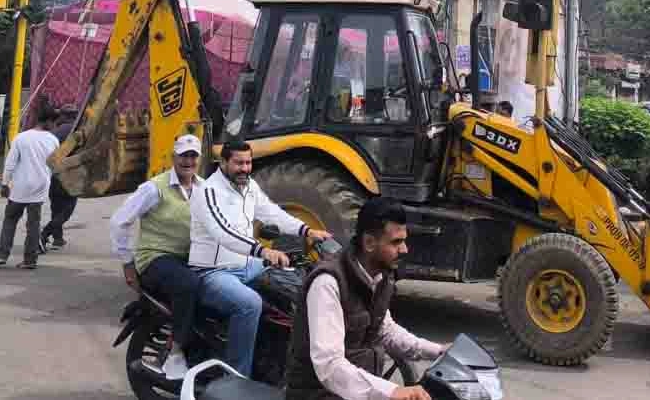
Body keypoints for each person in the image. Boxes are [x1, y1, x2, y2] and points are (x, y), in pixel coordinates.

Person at [189, 141, 333, 379]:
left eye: (248, 162)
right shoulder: (208, 191)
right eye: (239, 163)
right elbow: (223, 232)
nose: (245, 168)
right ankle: (236, 378)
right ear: (223, 162)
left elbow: (271, 212)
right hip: (213, 271)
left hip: (246, 265)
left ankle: (275, 356)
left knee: (295, 279)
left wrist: (306, 231)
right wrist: (263, 251)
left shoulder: (248, 186)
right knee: (250, 304)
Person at [285, 196, 446, 400]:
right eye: (396, 242)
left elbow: (385, 330)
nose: (405, 249)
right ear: (369, 242)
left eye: (404, 240)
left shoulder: (380, 276)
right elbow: (330, 365)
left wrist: (438, 351)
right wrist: (392, 391)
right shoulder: (328, 283)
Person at [109, 133, 205, 380]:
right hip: (156, 258)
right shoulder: (154, 188)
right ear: (173, 157)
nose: (188, 161)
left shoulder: (205, 188)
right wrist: (128, 264)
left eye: (193, 156)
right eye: (183, 156)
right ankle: (175, 354)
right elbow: (119, 222)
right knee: (188, 284)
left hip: (189, 258)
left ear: (200, 159)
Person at [0, 105, 60, 269]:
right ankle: (30, 260)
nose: (54, 126)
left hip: (20, 187)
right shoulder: (53, 140)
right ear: (47, 121)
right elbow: (55, 165)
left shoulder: (22, 138)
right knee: (33, 225)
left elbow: (10, 164)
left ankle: (1, 255)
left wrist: (5, 184)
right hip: (41, 186)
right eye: (54, 122)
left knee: (10, 220)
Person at [41, 104, 79, 250]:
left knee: (56, 207)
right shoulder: (78, 130)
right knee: (67, 209)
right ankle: (45, 233)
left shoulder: (54, 132)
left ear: (63, 116)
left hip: (54, 174)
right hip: (71, 173)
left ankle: (58, 238)